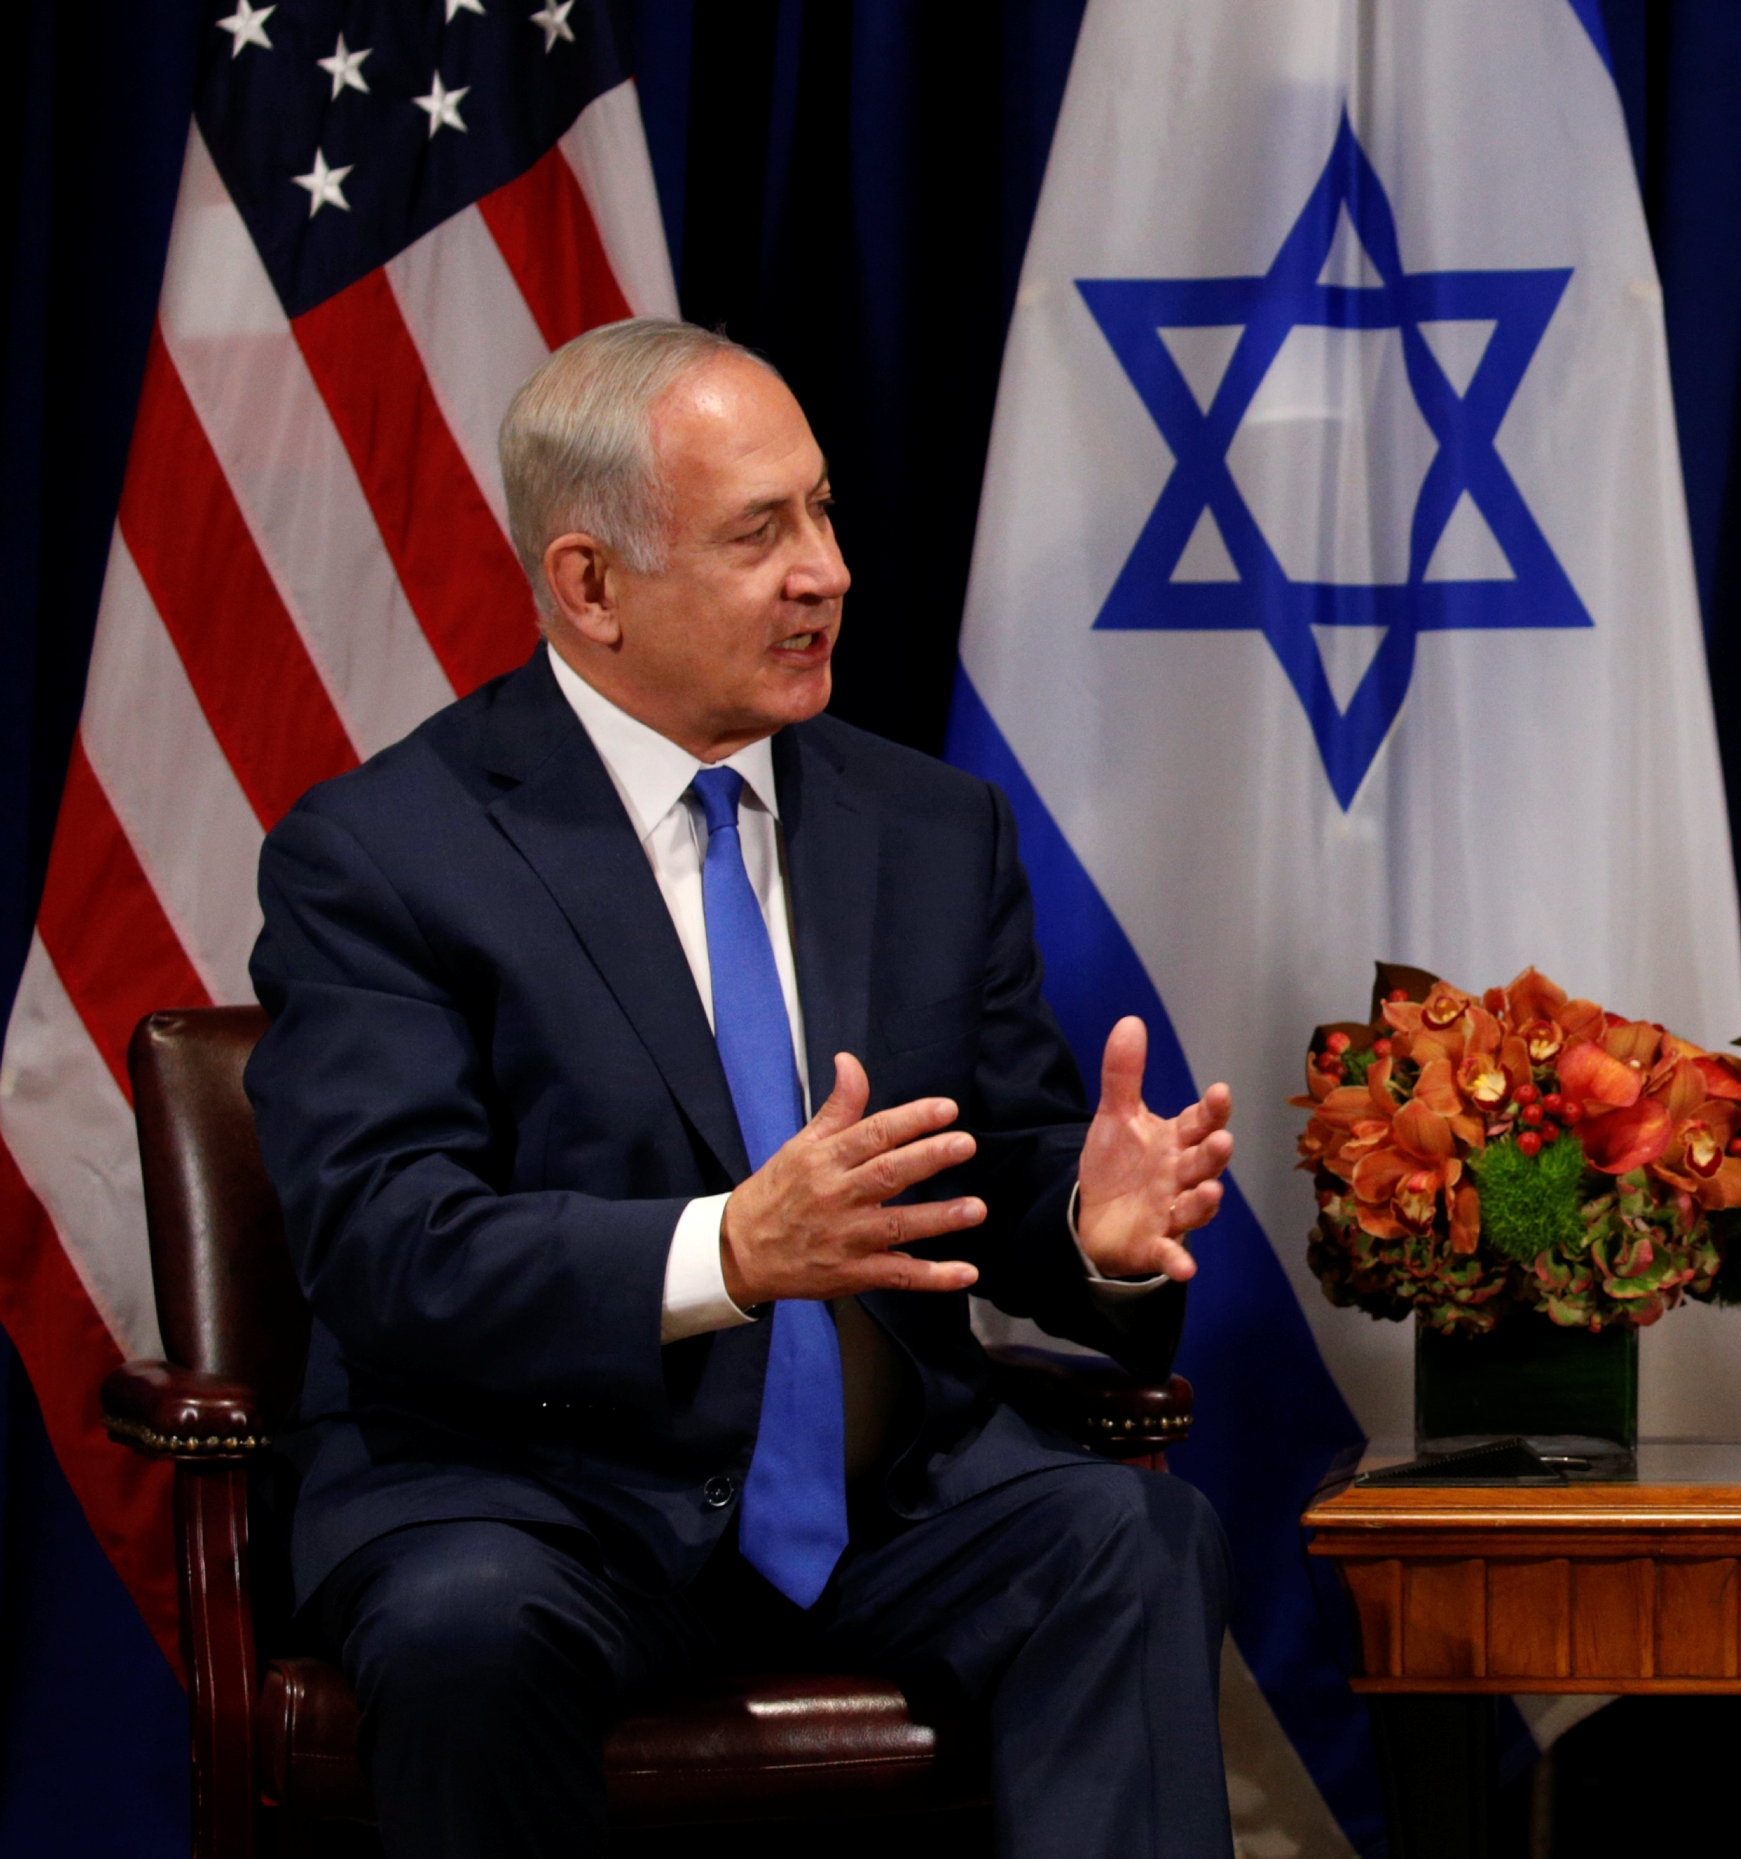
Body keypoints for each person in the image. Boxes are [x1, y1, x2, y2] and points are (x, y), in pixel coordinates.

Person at [247, 318, 1238, 1856]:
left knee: (1127, 1539)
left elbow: (1003, 1166)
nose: (827, 571)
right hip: (526, 1495)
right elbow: (390, 1244)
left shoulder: (931, 827)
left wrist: (1092, 1230)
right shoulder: (382, 855)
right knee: (464, 1630)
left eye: (824, 511)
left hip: (887, 1504)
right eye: (761, 532)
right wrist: (726, 1253)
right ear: (589, 587)